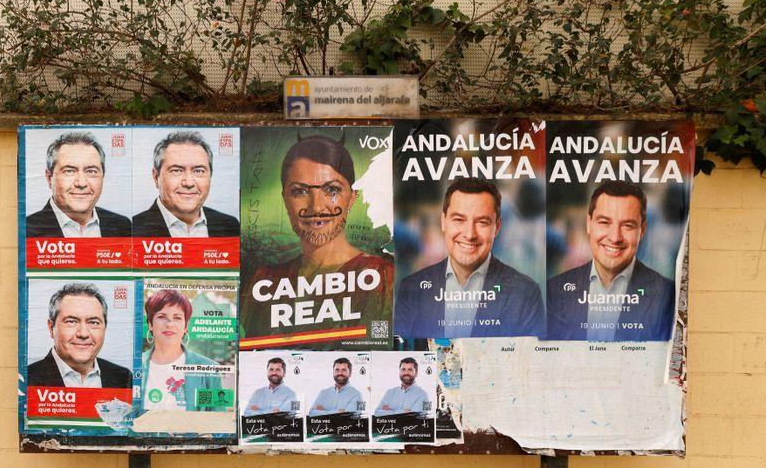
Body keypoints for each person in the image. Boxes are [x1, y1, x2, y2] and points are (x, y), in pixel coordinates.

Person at [241, 135, 394, 346]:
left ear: (352, 198)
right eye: (300, 191)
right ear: (285, 199)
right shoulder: (265, 281)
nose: (317, 208)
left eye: (332, 190)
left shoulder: (384, 277)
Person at [395, 177, 544, 339]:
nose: (470, 234)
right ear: (443, 221)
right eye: (459, 220)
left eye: (482, 222)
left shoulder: (526, 293)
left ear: (497, 227)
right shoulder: (411, 289)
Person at [547, 179, 675, 341]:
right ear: (589, 224)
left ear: (642, 231)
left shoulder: (667, 295)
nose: (615, 237)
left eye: (627, 225)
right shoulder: (553, 291)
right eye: (604, 222)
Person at [132, 131, 239, 237]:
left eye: (198, 171)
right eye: (177, 170)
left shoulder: (230, 226)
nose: (188, 183)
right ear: (156, 177)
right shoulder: (133, 229)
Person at [25, 131, 132, 238]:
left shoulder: (123, 226)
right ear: (49, 178)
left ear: (103, 176)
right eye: (69, 171)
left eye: (91, 171)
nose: (81, 183)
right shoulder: (27, 229)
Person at [27, 283, 132, 387]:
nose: (83, 333)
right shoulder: (27, 379)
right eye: (71, 321)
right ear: (51, 328)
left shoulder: (123, 378)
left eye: (93, 322)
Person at [139, 288, 228, 410]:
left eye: (177, 318)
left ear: (186, 326)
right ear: (150, 324)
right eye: (161, 316)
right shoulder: (134, 366)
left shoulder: (209, 369)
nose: (169, 324)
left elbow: (217, 420)